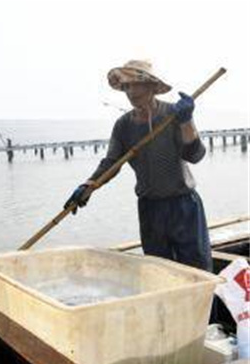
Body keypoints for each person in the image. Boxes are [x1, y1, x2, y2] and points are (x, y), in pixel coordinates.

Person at [64, 59, 213, 274]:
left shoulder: (173, 114)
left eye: (136, 84)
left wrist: (186, 121)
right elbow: (111, 162)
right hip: (150, 209)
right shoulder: (124, 125)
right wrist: (89, 186)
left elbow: (195, 155)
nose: (130, 92)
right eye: (126, 86)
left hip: (183, 206)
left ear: (152, 87)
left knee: (198, 272)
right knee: (158, 273)